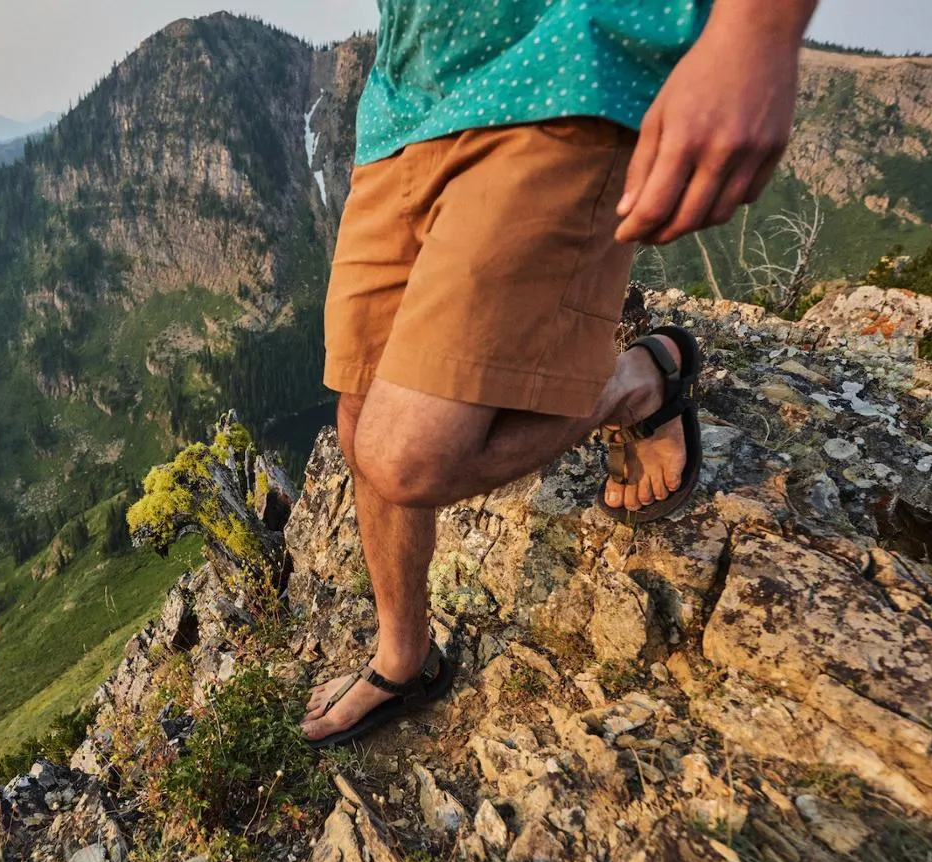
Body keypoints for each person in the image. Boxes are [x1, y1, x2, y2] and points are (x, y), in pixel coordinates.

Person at [302, 0, 818, 746]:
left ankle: (639, 381)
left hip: (560, 72)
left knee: (407, 458)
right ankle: (404, 657)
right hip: (402, 105)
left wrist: (757, 32)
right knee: (359, 410)